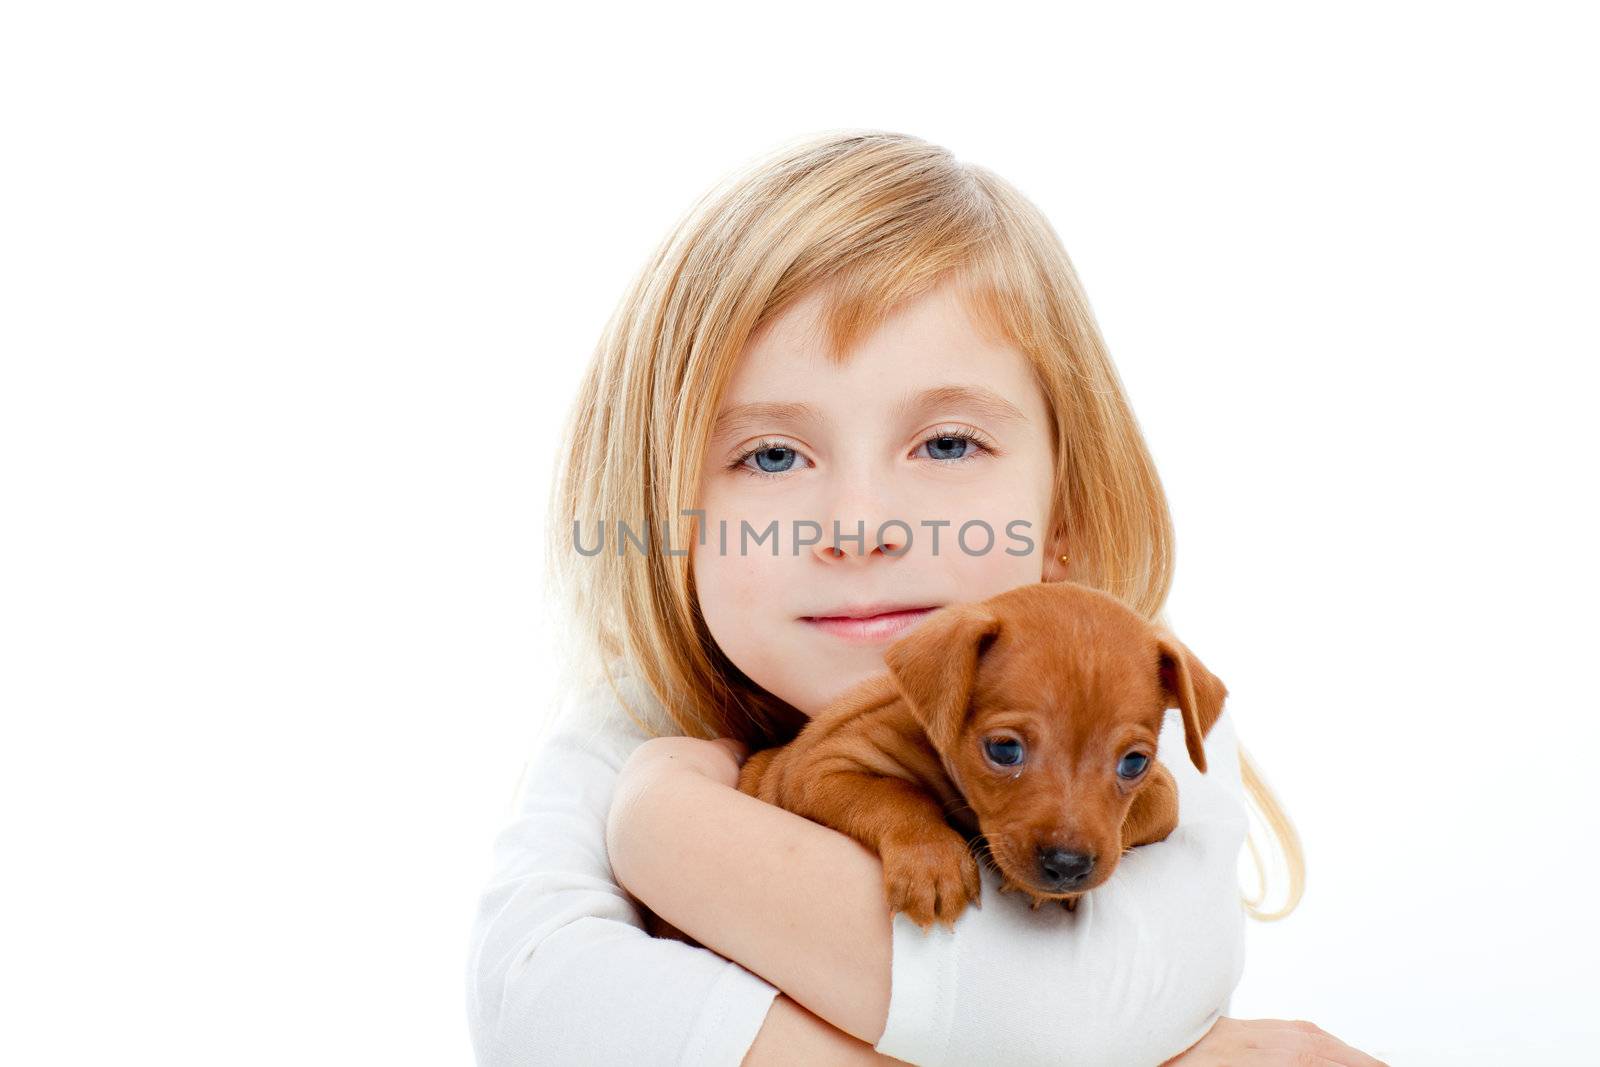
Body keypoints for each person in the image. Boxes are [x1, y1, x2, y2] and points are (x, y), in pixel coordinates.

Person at [466, 129, 1386, 1066]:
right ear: (667, 522)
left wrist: (670, 833)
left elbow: (1074, 1015)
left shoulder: (1126, 694)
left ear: (1062, 511)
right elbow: (535, 1006)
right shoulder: (637, 730)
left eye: (946, 444)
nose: (861, 526)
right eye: (773, 455)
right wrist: (659, 816)